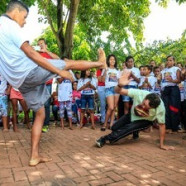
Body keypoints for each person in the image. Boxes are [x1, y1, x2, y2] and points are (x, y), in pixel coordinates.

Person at [0, 1, 106, 166]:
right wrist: (59, 71)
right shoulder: (9, 24)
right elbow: (30, 52)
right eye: (25, 17)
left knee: (41, 113)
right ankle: (100, 64)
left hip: (21, 83)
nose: (25, 21)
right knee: (67, 63)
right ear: (16, 11)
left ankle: (34, 155)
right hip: (30, 73)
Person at [96, 71, 174, 150]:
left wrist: (162, 145)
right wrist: (120, 85)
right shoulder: (139, 93)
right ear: (145, 98)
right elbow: (118, 91)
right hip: (132, 114)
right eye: (143, 103)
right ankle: (135, 131)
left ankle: (104, 139)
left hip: (145, 120)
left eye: (146, 107)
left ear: (154, 107)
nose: (143, 107)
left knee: (127, 129)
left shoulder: (160, 108)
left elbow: (162, 126)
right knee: (114, 128)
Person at [37, 38, 60, 133]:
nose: (40, 45)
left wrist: (46, 51)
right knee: (38, 104)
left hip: (48, 83)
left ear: (46, 45)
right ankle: (37, 124)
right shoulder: (36, 54)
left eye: (42, 43)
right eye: (39, 44)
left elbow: (58, 59)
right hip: (38, 83)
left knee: (46, 104)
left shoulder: (49, 54)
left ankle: (45, 125)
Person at [101, 54, 120, 131]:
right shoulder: (105, 69)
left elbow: (119, 81)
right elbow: (102, 80)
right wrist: (105, 71)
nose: (112, 61)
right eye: (111, 59)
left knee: (114, 107)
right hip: (108, 89)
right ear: (108, 61)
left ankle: (111, 124)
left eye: (114, 59)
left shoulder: (117, 70)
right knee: (111, 107)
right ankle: (105, 123)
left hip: (116, 89)